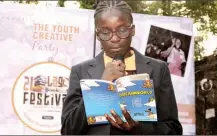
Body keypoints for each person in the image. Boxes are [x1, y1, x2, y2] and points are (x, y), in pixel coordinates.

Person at [61, 0, 182, 135]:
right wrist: (100, 86)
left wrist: (139, 128)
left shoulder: (159, 69)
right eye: (106, 32)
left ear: (132, 30)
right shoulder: (80, 71)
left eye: (122, 30)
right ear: (98, 35)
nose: (115, 38)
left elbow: (173, 129)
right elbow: (68, 130)